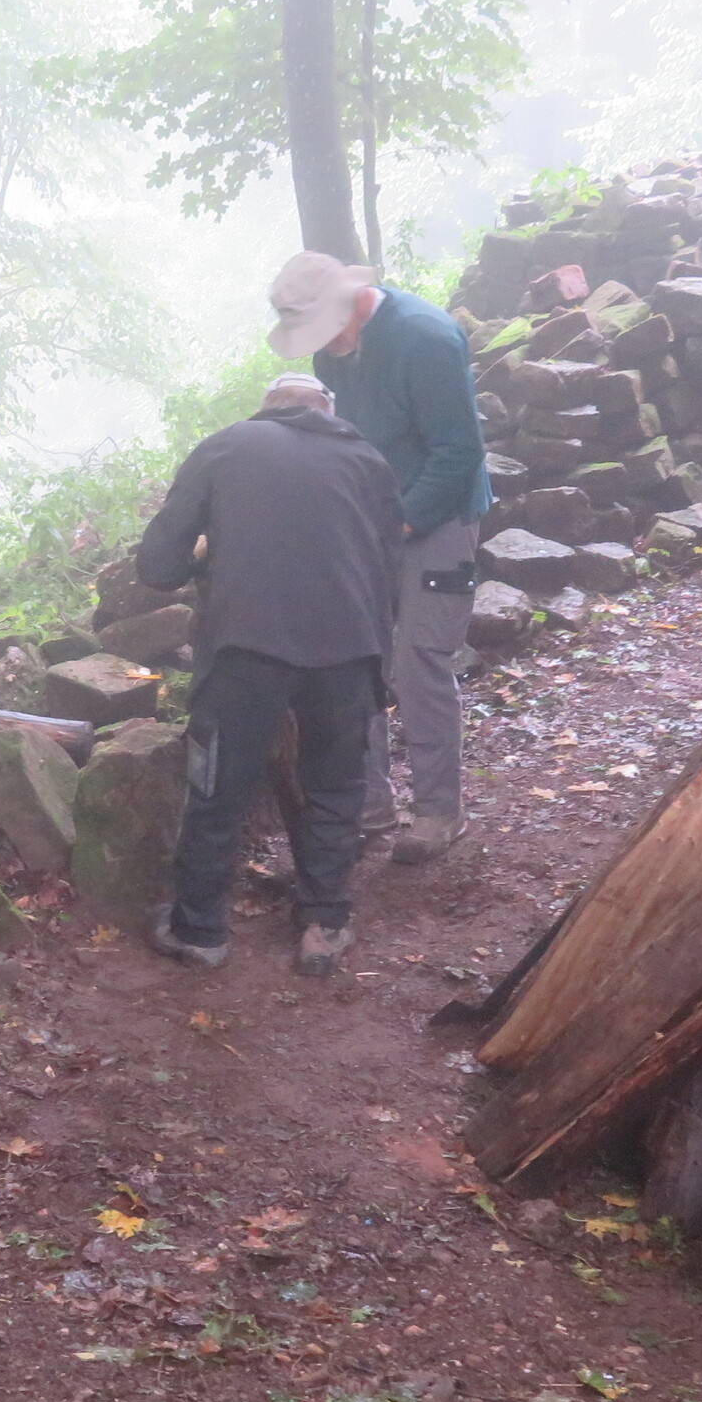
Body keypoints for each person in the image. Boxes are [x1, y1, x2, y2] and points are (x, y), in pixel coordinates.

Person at [135, 372, 401, 978]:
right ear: (326, 411)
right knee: (336, 787)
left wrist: (208, 556)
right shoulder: (368, 461)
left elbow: (157, 566)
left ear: (268, 410)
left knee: (217, 787)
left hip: (246, 650)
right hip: (349, 650)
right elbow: (390, 569)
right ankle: (323, 925)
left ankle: (200, 929)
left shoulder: (226, 446)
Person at [267, 251, 490, 864]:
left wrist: (403, 521)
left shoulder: (426, 339)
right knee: (356, 657)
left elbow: (459, 451)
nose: (321, 345)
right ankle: (368, 799)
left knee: (420, 661)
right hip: (370, 521)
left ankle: (439, 810)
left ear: (348, 304)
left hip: (440, 520)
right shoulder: (332, 353)